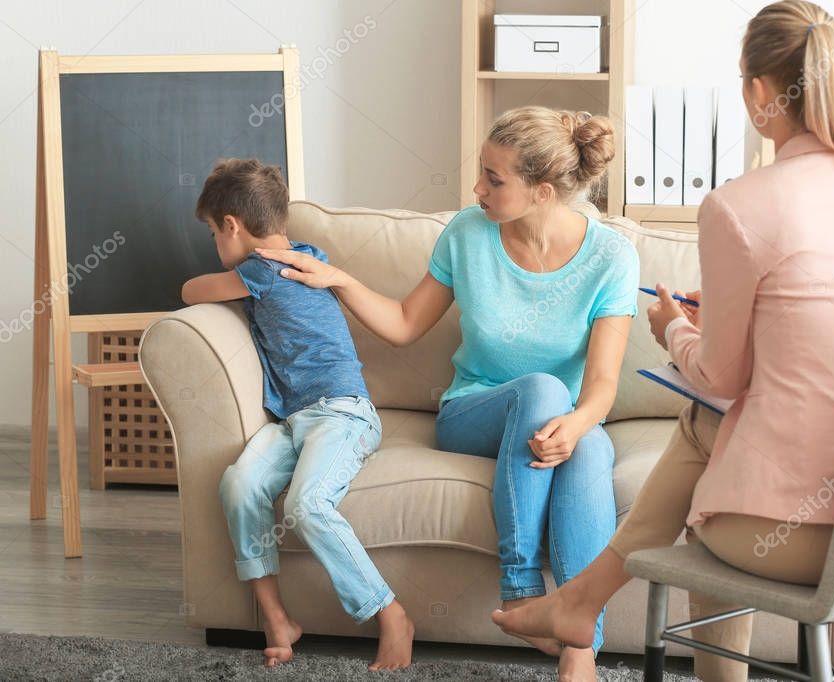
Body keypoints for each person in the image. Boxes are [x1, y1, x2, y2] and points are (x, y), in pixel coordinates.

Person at [490, 3, 834, 680]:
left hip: (801, 540)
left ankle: (580, 602)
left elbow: (720, 378)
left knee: (704, 422)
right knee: (714, 425)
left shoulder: (739, 206)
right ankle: (579, 603)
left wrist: (675, 330)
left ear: (758, 93)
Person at [257, 106, 641, 681]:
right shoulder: (468, 233)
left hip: (564, 422)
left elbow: (603, 383)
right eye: (481, 171)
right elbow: (407, 322)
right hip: (473, 413)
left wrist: (581, 423)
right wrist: (340, 281)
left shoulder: (610, 257)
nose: (477, 187)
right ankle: (519, 592)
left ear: (541, 192)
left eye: (494, 178)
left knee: (589, 449)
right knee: (539, 390)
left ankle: (579, 649)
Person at [181, 158, 414, 671]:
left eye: (213, 234)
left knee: (307, 505)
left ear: (232, 226)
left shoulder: (263, 269)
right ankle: (277, 618)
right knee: (239, 484)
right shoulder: (306, 255)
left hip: (343, 413)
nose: (216, 248)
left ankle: (391, 613)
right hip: (292, 420)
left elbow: (191, 292)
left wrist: (227, 273)